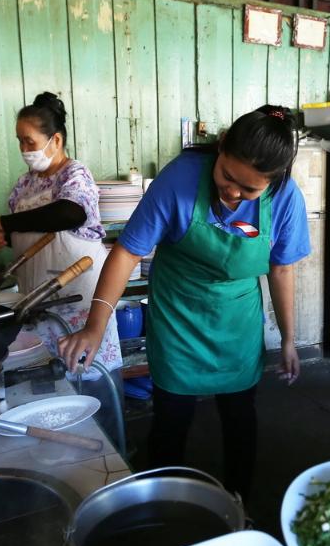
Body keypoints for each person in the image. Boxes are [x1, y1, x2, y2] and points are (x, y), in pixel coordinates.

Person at [59, 106, 310, 499]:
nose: (233, 193)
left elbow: (281, 269)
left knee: (240, 416)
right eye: (227, 176)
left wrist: (290, 339)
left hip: (236, 323)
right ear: (221, 146)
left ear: (272, 182)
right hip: (179, 315)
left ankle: (238, 502)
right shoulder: (180, 178)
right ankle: (160, 503)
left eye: (249, 190)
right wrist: (95, 325)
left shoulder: (284, 198)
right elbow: (126, 252)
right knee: (172, 418)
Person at [0, 92, 122, 381]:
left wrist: (6, 222)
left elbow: (70, 214)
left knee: (87, 379)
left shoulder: (75, 175)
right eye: (19, 141)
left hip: (79, 302)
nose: (23, 148)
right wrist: (5, 234)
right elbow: (26, 225)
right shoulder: (24, 183)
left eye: (29, 141)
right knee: (49, 381)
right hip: (37, 299)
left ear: (55, 140)